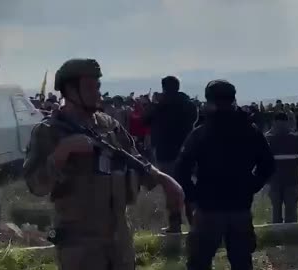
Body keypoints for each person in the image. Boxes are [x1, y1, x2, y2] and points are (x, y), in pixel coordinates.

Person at [22, 58, 184, 270]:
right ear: (70, 90)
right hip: (80, 247)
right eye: (90, 87)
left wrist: (164, 179)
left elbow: (135, 159)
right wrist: (63, 151)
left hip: (119, 242)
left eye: (98, 86)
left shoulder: (109, 126)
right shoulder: (49, 132)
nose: (97, 93)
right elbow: (37, 185)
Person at [175, 79, 275, 270]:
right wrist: (251, 186)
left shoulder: (201, 133)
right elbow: (268, 165)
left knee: (199, 262)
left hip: (208, 208)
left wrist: (194, 196)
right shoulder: (249, 130)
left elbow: (181, 169)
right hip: (240, 207)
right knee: (241, 262)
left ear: (209, 102)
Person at [143, 75, 197, 233]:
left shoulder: (161, 105)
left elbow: (145, 120)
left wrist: (153, 103)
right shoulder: (188, 104)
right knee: (188, 188)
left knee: (171, 189)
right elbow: (194, 119)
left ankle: (175, 225)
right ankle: (195, 223)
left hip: (166, 152)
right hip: (186, 150)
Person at [265, 112, 298, 223]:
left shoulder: (267, 139)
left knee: (276, 210)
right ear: (287, 123)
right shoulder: (296, 138)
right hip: (292, 179)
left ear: (274, 123)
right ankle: (291, 233)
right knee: (291, 210)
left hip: (274, 180)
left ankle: (277, 233)